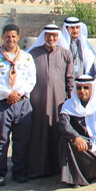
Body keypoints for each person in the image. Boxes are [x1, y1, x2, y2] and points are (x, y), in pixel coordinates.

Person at [0, 24, 36, 186]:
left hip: (22, 103)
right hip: (2, 104)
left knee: (21, 140)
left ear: (18, 37)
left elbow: (31, 79)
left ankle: (19, 171)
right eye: (7, 36)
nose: (10, 39)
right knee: (1, 140)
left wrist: (18, 93)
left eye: (13, 36)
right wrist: (8, 94)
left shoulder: (27, 57)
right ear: (2, 38)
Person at [27, 24, 74, 178]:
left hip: (59, 101)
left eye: (54, 35)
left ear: (58, 37)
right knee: (38, 132)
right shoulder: (33, 54)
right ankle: (38, 168)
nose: (51, 38)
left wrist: (71, 100)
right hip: (38, 102)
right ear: (44, 36)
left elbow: (70, 79)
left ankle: (57, 167)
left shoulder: (65, 54)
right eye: (48, 35)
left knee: (57, 131)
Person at [58, 75, 96, 187]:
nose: (82, 91)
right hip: (79, 145)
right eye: (79, 88)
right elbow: (63, 124)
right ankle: (75, 179)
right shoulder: (69, 104)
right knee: (66, 140)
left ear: (92, 88)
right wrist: (76, 137)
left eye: (86, 88)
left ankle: (86, 175)